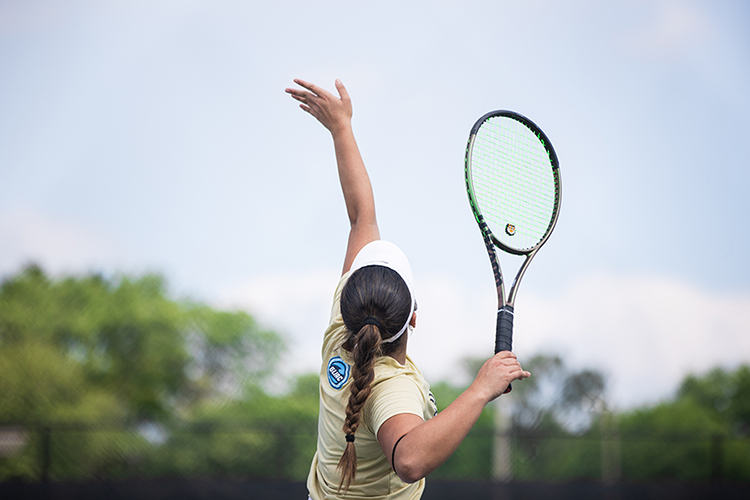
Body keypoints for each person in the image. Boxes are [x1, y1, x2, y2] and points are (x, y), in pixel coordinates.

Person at [285, 78, 531, 500]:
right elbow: (409, 460)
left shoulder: (337, 336)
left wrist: (342, 128)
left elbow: (362, 216)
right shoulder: (390, 387)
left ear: (347, 304)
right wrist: (480, 390)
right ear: (413, 316)